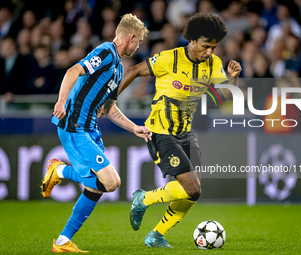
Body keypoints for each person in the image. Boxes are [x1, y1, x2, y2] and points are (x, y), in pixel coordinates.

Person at [118, 13, 242, 247]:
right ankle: (143, 199)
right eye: (206, 46)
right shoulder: (169, 59)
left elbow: (226, 96)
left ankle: (156, 235)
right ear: (192, 40)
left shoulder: (213, 64)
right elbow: (133, 70)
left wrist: (232, 79)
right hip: (160, 131)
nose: (210, 52)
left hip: (186, 132)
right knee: (191, 186)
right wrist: (111, 100)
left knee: (194, 192)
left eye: (214, 48)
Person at [40, 14, 150, 253]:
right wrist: (61, 102)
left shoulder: (119, 69)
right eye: (138, 41)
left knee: (98, 186)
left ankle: (62, 241)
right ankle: (59, 169)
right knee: (112, 181)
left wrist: (135, 128)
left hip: (90, 129)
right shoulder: (106, 52)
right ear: (130, 37)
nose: (138, 46)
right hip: (74, 127)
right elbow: (72, 71)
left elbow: (109, 108)